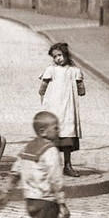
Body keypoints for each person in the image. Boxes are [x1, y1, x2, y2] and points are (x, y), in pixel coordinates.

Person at [39, 42, 86, 177]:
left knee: (67, 136)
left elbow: (81, 90)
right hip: (54, 106)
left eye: (60, 55)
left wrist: (80, 85)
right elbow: (42, 87)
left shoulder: (74, 71)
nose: (57, 58)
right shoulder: (51, 70)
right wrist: (43, 97)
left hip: (68, 108)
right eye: (55, 57)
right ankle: (50, 166)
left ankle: (67, 165)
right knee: (52, 136)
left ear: (66, 55)